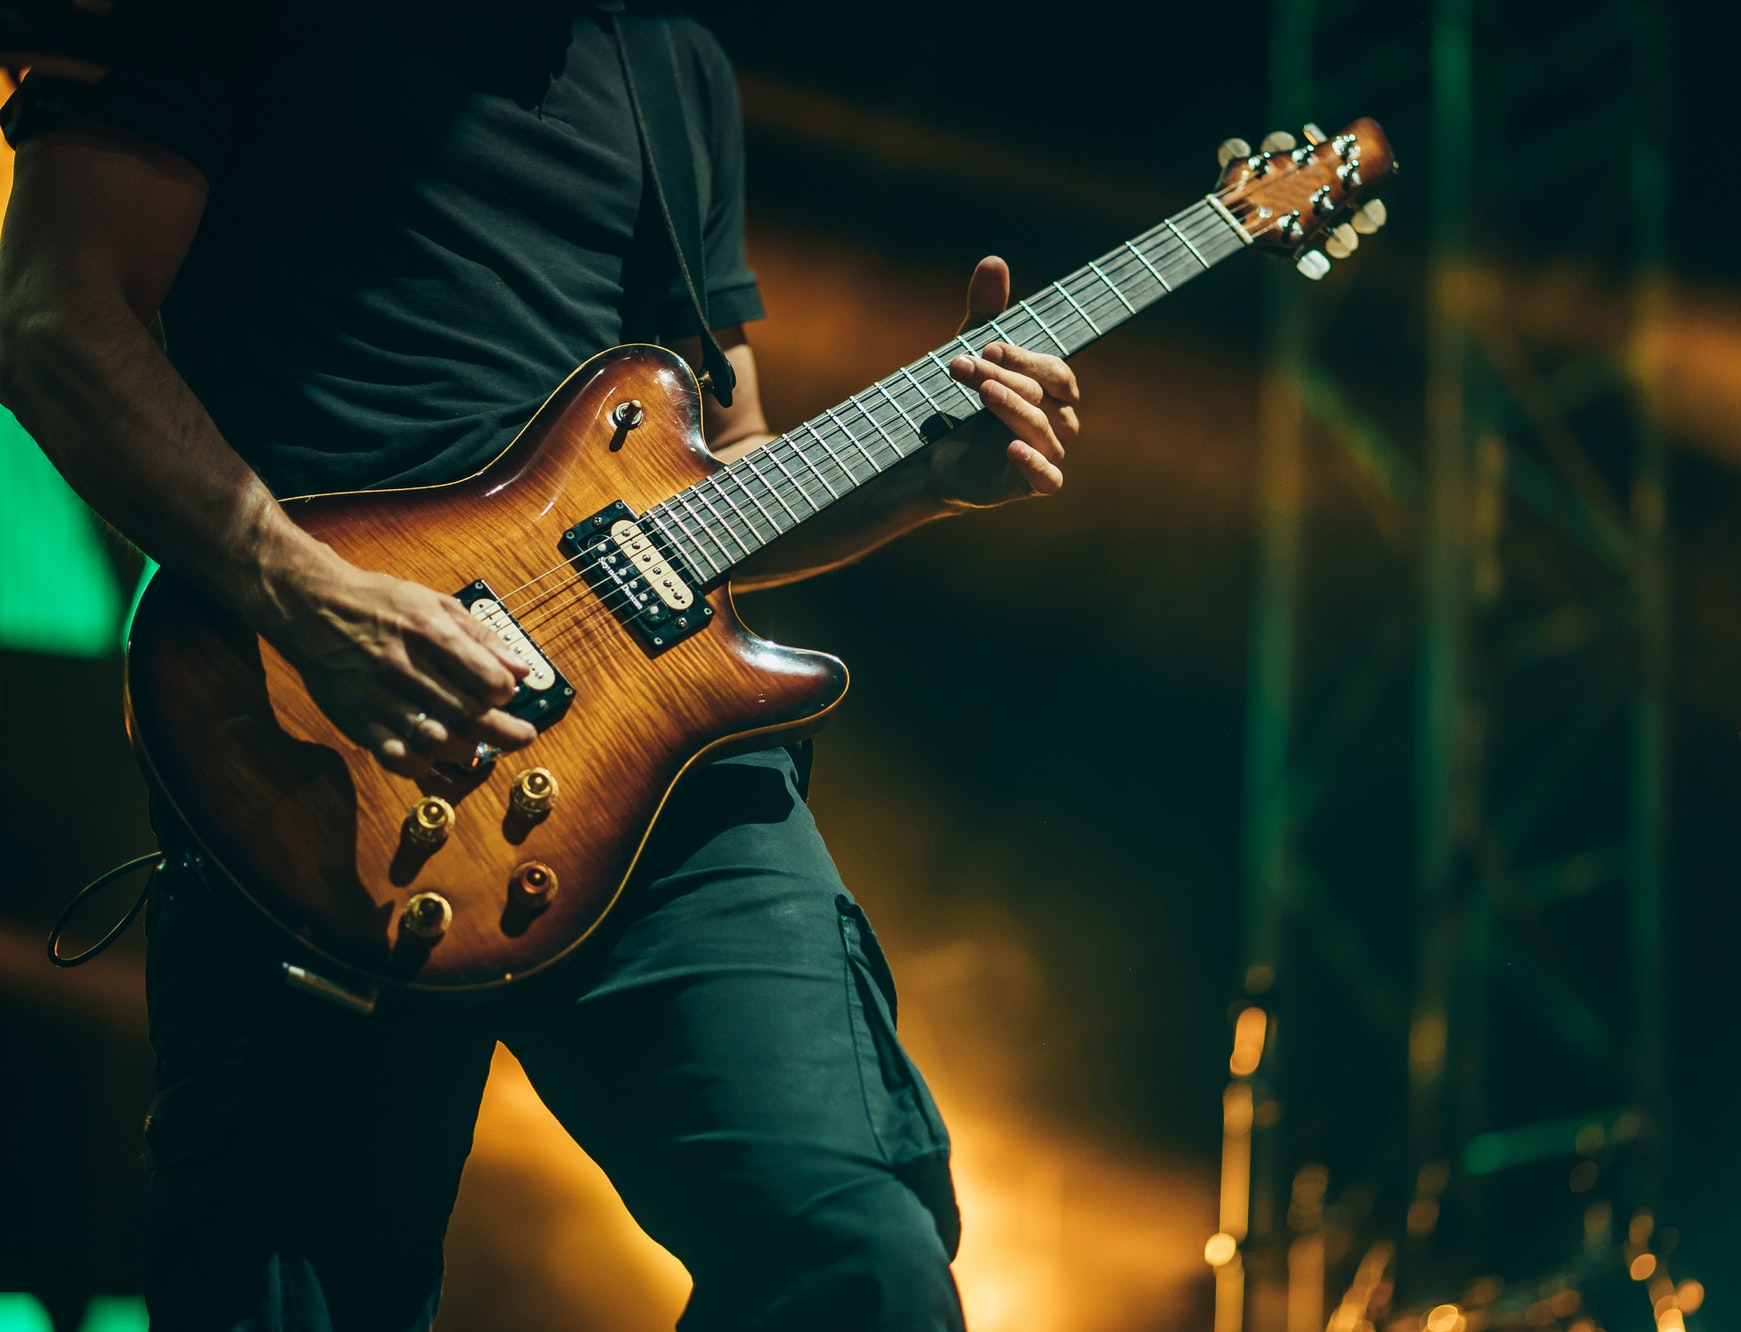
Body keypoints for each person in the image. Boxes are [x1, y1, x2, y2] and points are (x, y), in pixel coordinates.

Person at [0, 3, 1081, 1328]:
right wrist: (309, 596)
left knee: (856, 1256)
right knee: (291, 1298)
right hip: (325, 760)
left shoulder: (669, 63)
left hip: (664, 777)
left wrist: (926, 478)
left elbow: (722, 471)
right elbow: (54, 311)